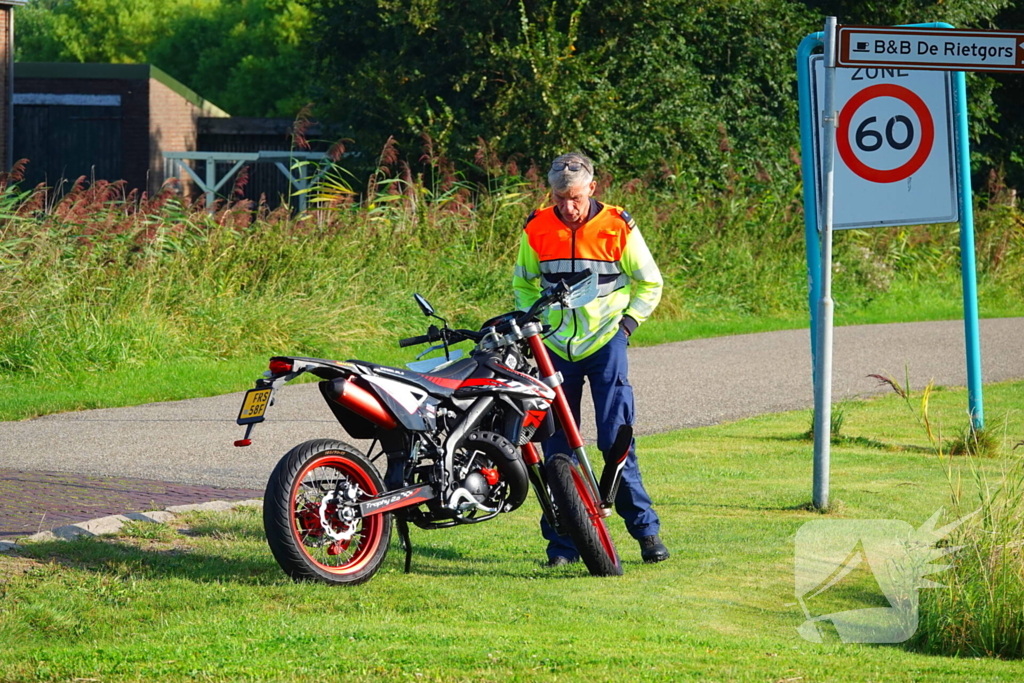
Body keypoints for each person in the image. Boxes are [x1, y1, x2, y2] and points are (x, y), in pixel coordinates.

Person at [512, 151, 669, 566]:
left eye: (576, 198)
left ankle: (646, 533)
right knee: (555, 448)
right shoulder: (537, 227)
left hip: (606, 343)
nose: (568, 207)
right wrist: (537, 327)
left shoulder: (618, 225)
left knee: (615, 439)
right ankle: (564, 547)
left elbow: (650, 282)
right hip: (556, 348)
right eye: (560, 198)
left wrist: (627, 327)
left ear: (593, 189)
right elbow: (524, 285)